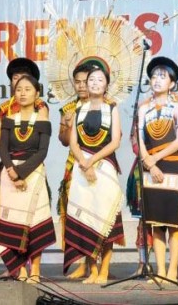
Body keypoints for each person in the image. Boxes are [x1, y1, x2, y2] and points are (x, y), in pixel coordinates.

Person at [64, 64, 124, 285]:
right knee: (86, 219)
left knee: (105, 217)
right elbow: (73, 142)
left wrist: (92, 161)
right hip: (82, 169)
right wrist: (83, 163)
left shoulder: (112, 108)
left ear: (106, 84)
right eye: (91, 80)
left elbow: (115, 141)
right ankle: (92, 269)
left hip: (105, 168)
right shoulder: (79, 109)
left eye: (100, 80)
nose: (95, 83)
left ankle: (105, 270)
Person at [0, 74, 57, 281]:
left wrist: (22, 173)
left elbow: (42, 152)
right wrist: (12, 171)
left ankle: (36, 270)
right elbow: (3, 149)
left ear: (37, 93)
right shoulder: (7, 120)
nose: (22, 93)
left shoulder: (43, 120)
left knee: (34, 223)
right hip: (9, 174)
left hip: (34, 174)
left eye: (28, 89)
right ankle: (20, 269)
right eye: (19, 89)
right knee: (12, 223)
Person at [137, 57, 178, 283]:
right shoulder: (143, 108)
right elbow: (139, 139)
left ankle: (171, 270)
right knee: (156, 224)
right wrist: (147, 161)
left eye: (162, 76)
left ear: (172, 83)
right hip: (150, 166)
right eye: (154, 76)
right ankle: (159, 269)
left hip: (172, 165)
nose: (157, 80)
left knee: (173, 223)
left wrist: (154, 159)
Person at [57, 62, 93, 280]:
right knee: (76, 215)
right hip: (74, 167)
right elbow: (62, 140)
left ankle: (97, 262)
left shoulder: (105, 105)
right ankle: (81, 262)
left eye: (85, 81)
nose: (81, 86)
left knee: (95, 213)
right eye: (77, 82)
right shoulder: (68, 109)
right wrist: (68, 125)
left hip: (98, 165)